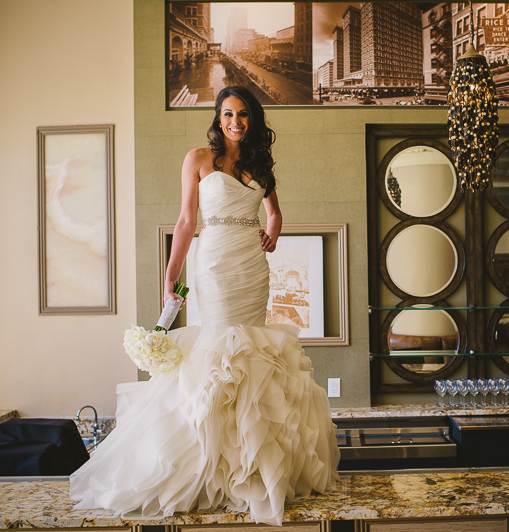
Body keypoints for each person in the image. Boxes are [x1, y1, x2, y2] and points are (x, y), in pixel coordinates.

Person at [69, 86, 340, 526]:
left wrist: (273, 229)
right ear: (218, 118)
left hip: (252, 267)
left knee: (253, 353)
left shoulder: (260, 165)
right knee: (218, 352)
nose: (236, 121)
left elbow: (274, 211)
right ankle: (210, 464)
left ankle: (248, 467)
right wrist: (171, 275)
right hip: (214, 264)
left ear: (253, 119)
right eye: (228, 114)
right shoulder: (197, 159)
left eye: (244, 115)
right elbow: (185, 220)